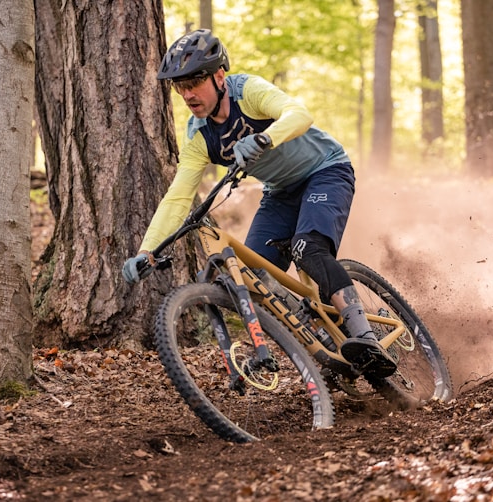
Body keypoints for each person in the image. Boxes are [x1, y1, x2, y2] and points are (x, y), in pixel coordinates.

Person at [122, 29, 396, 379]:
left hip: (325, 171)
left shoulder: (246, 91)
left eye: (195, 82)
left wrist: (264, 137)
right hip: (280, 191)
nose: (188, 93)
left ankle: (366, 338)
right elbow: (177, 196)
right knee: (250, 278)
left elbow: (299, 115)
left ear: (219, 76)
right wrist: (148, 250)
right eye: (180, 86)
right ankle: (322, 341)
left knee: (308, 249)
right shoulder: (199, 137)